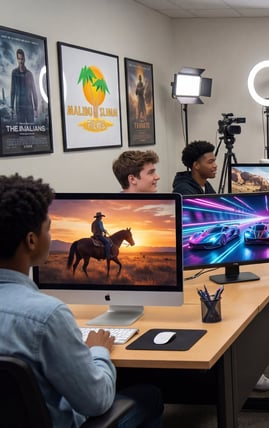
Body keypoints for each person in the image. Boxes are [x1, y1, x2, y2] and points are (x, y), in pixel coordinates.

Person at [0, 173, 163, 427]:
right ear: (31, 241)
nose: (51, 237)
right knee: (149, 395)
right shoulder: (47, 316)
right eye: (48, 228)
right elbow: (96, 400)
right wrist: (98, 349)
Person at [10, 48, 38, 123]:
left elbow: (34, 91)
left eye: (22, 59)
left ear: (24, 59)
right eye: (19, 59)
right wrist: (12, 107)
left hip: (29, 108)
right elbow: (13, 91)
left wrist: (36, 108)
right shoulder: (14, 73)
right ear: (17, 59)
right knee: (20, 132)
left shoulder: (29, 74)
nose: (20, 61)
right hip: (19, 108)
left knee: (31, 131)